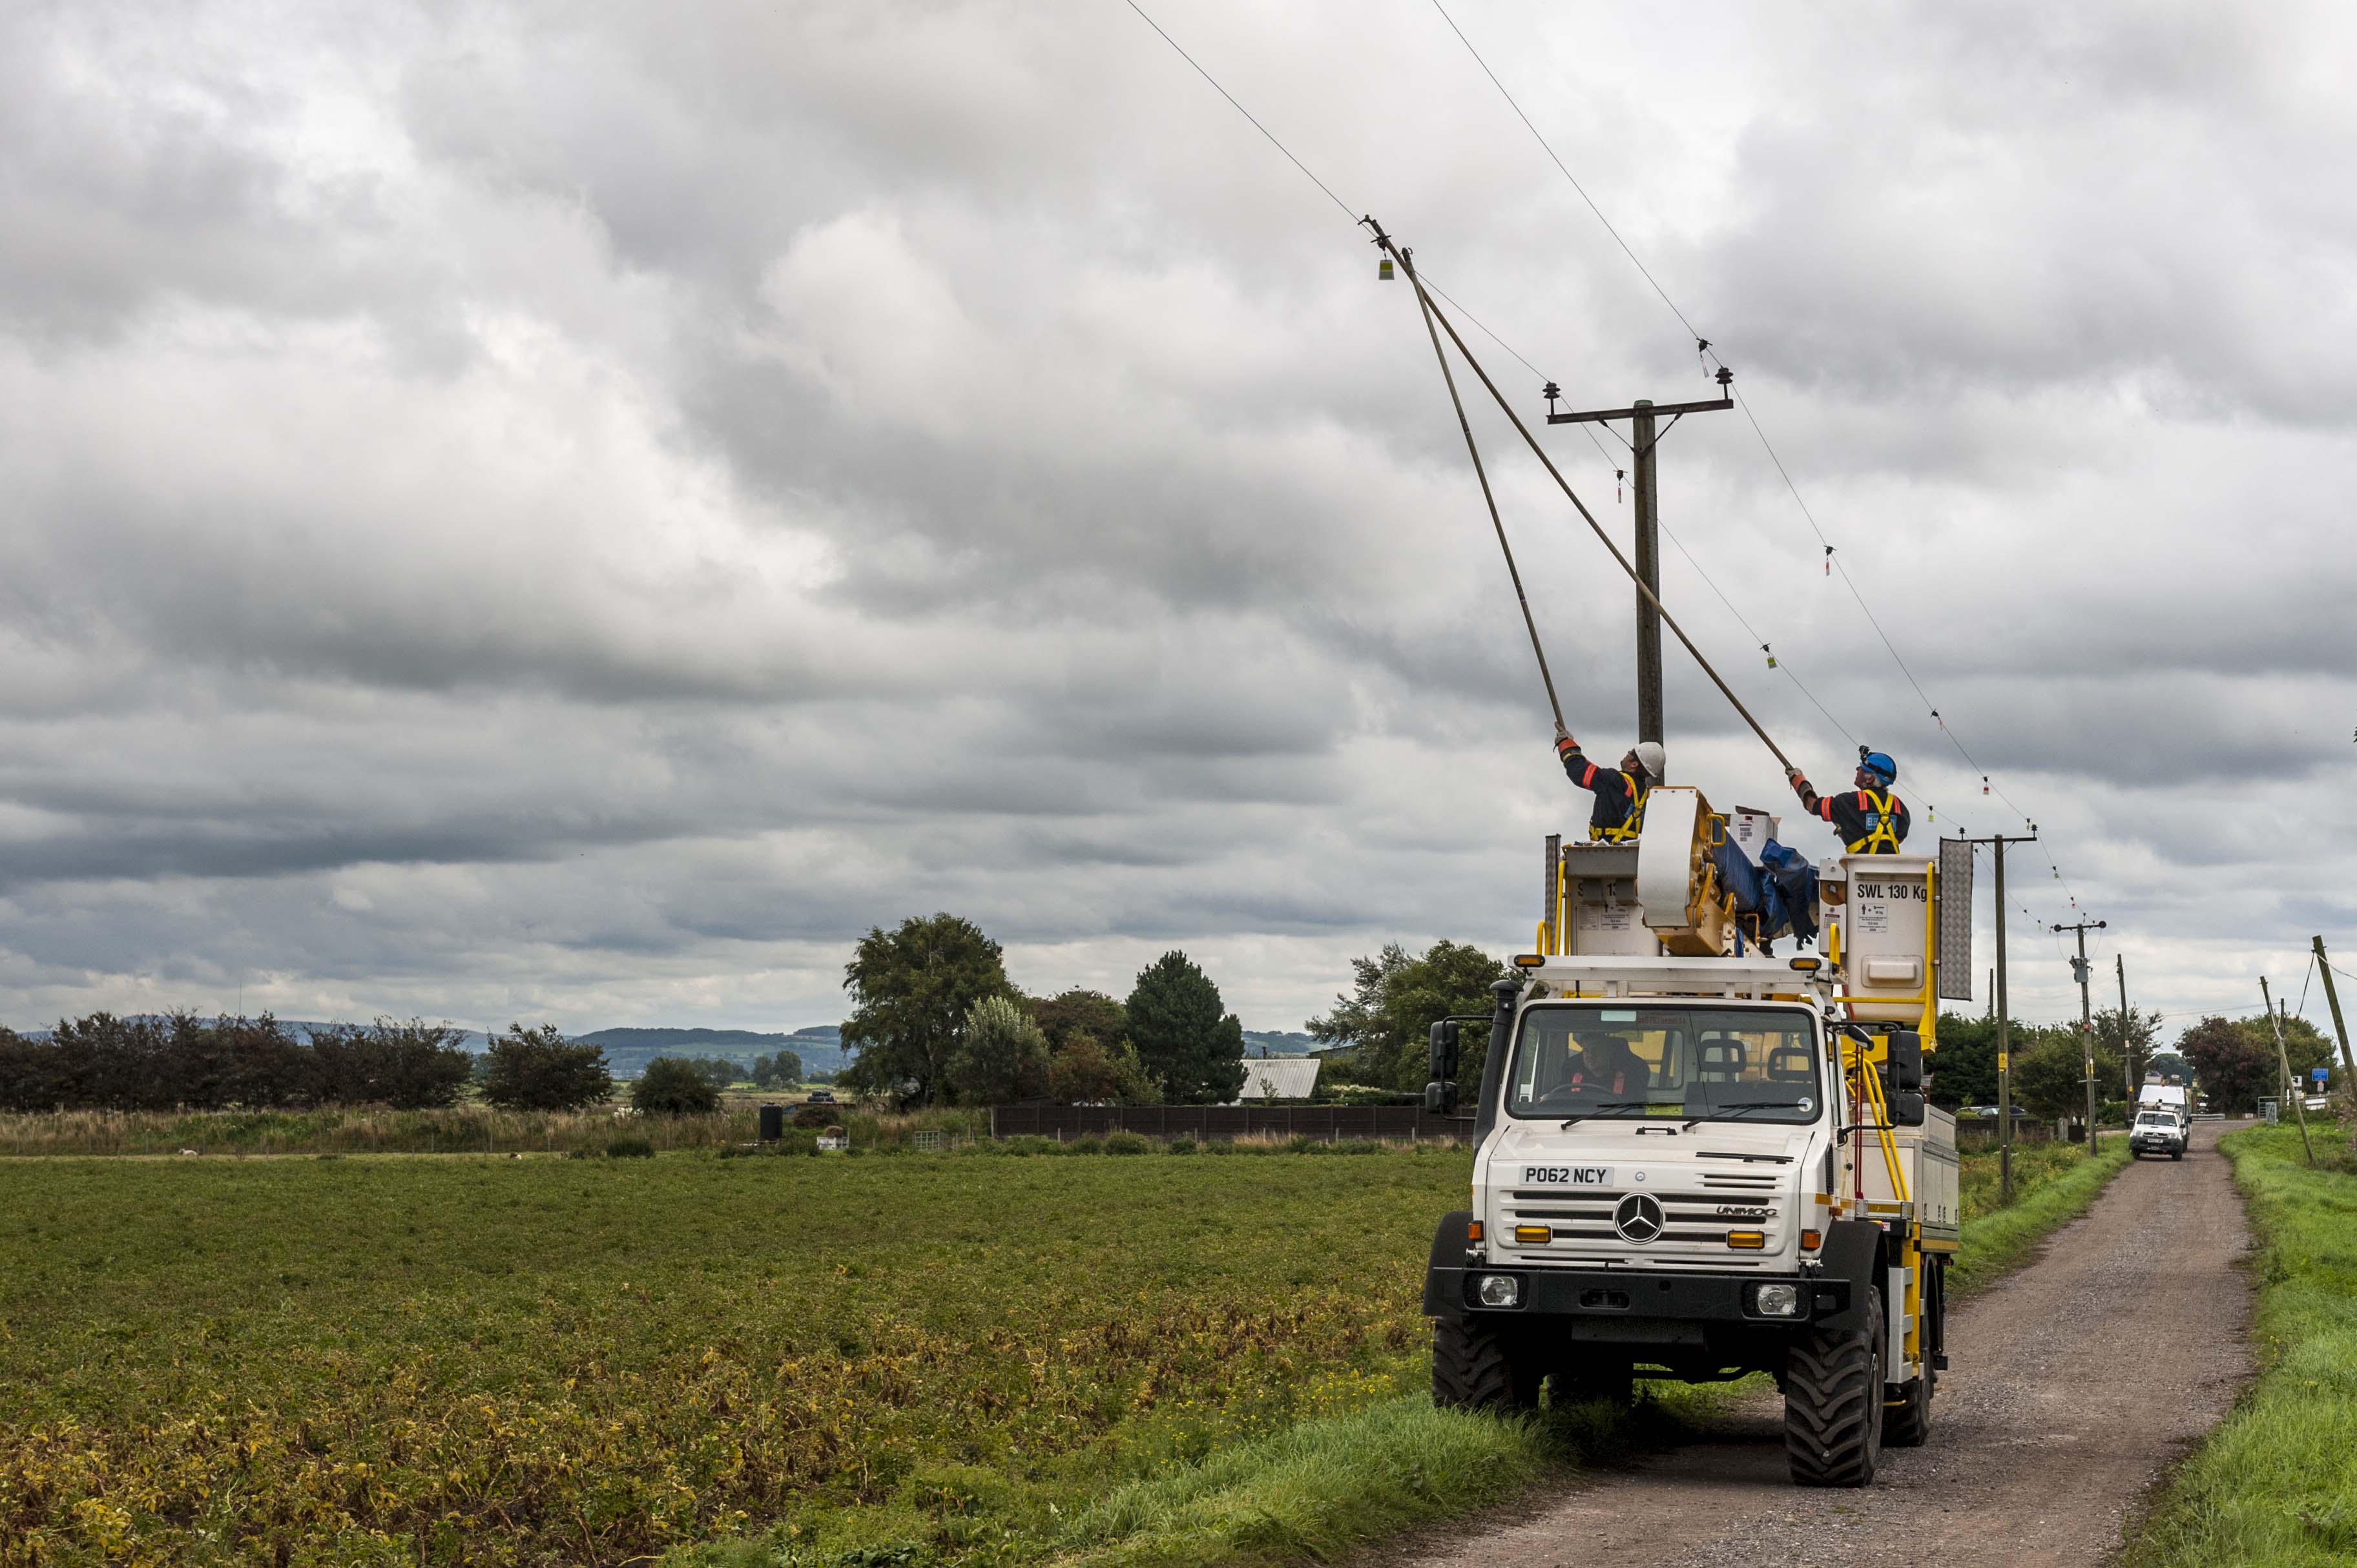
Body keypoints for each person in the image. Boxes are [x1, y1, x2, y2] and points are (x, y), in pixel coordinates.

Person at [1785, 747, 1911, 853]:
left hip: (1859, 872)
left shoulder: (1849, 802)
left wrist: (1798, 780)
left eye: (1862, 768)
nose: (1857, 769)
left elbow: (1813, 806)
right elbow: (1897, 838)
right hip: (1891, 873)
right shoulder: (1900, 807)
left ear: (1870, 779)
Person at [1553, 732, 1664, 843]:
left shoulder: (1614, 780)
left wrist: (1564, 743)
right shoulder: (1644, 793)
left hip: (1605, 852)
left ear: (1634, 764)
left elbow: (1578, 771)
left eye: (1631, 752)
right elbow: (1595, 771)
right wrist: (1573, 746)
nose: (1627, 753)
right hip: (1626, 853)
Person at [1568, 1030, 1648, 1098]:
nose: (1590, 1055)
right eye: (1586, 1050)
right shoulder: (1571, 1076)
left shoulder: (1630, 1080)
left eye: (1596, 1050)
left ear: (1608, 1053)